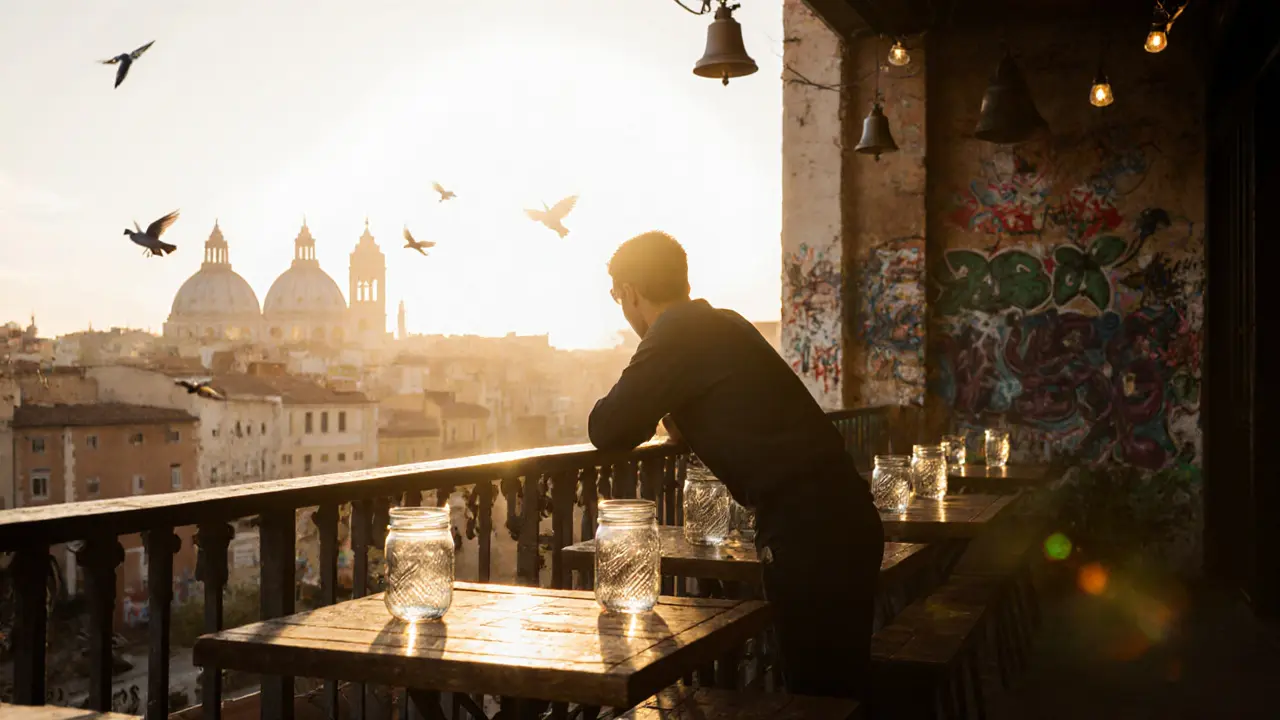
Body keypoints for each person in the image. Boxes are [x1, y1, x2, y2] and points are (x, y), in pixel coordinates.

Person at [588, 231, 885, 702]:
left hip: (808, 532)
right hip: (843, 514)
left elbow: (608, 428)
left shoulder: (675, 333)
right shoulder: (724, 323)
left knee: (815, 697)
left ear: (629, 292)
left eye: (615, 296)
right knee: (841, 688)